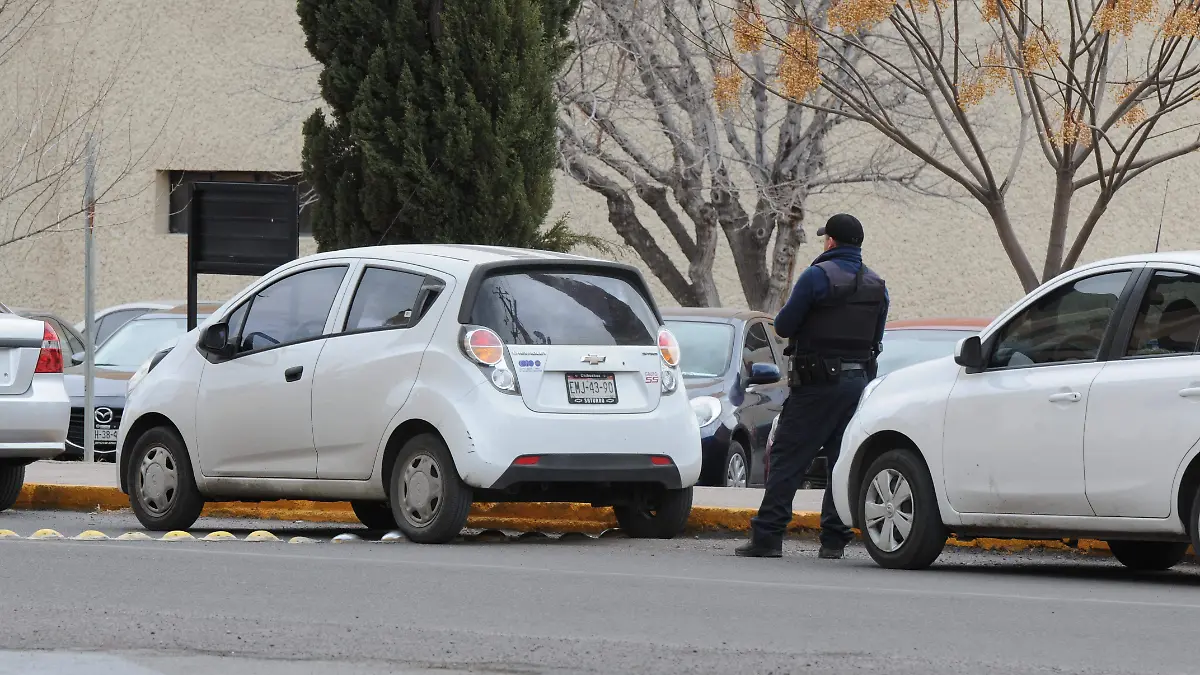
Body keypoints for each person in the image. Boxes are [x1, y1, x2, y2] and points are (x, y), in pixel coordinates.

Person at [735, 213, 889, 560]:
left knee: (789, 457)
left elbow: (785, 326)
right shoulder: (878, 285)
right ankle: (833, 541)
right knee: (840, 460)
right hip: (857, 384)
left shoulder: (817, 276)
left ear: (831, 242)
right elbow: (876, 338)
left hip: (816, 383)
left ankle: (768, 537)